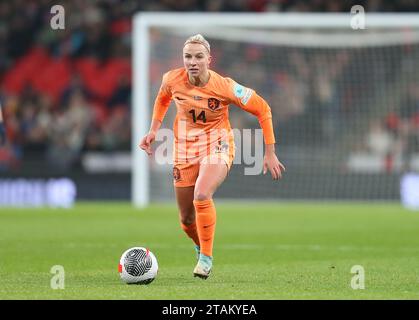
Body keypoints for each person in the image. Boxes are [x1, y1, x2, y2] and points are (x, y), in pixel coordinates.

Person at [140, 34, 285, 279]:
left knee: (202, 193)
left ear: (209, 59)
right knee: (186, 219)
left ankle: (206, 258)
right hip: (184, 149)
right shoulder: (171, 79)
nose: (192, 61)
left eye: (198, 56)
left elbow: (263, 108)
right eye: (188, 56)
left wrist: (269, 152)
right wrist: (154, 129)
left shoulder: (225, 86)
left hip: (218, 144)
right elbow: (163, 98)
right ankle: (200, 246)